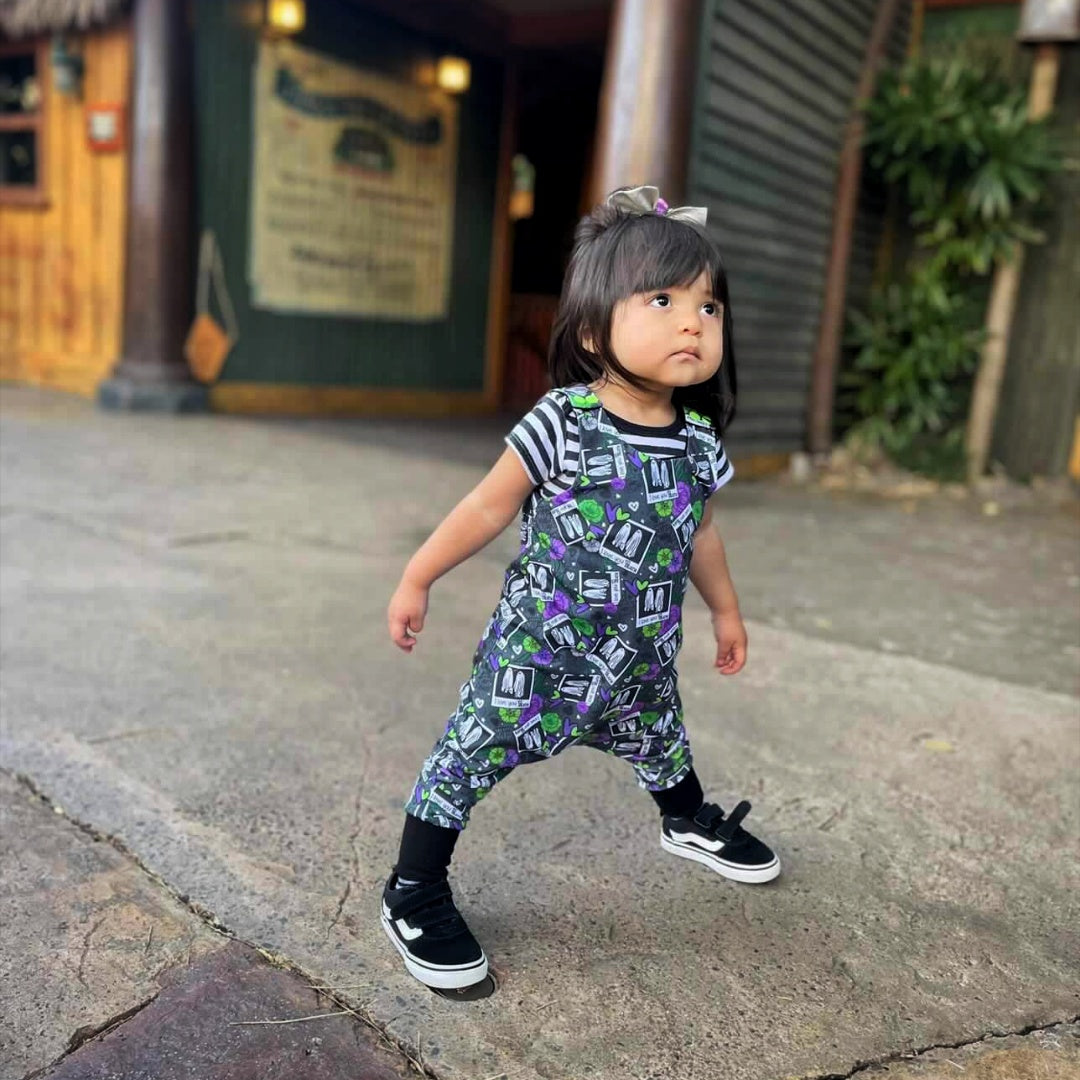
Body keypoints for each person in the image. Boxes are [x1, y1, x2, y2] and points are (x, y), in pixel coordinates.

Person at [381, 185, 780, 993]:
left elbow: (701, 532)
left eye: (709, 307)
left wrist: (727, 612)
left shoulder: (696, 441)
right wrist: (418, 574)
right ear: (595, 329)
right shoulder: (562, 421)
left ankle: (685, 819)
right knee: (468, 756)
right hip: (539, 656)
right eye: (664, 300)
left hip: (638, 661)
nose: (691, 323)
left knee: (663, 741)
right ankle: (413, 887)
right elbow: (487, 504)